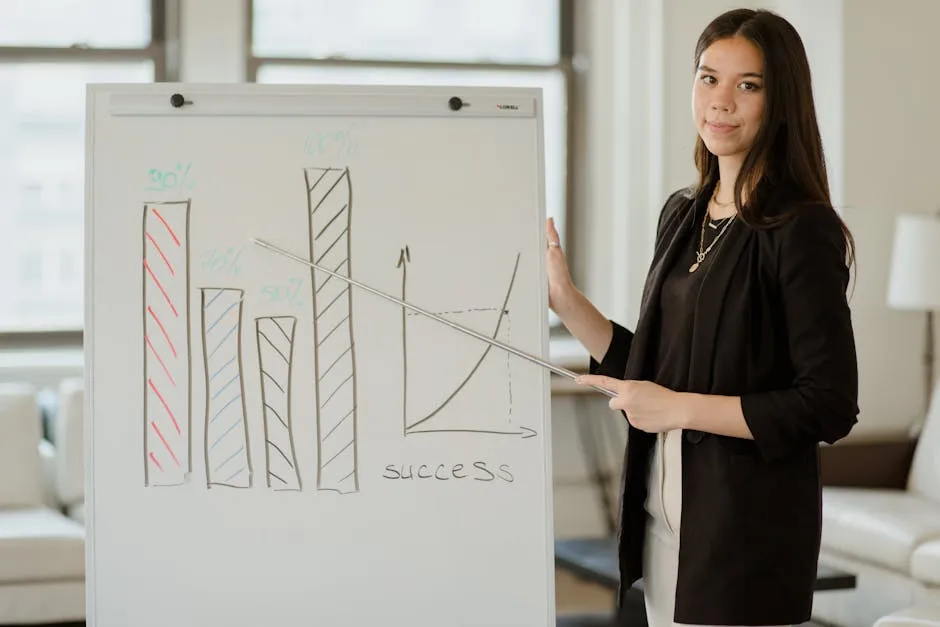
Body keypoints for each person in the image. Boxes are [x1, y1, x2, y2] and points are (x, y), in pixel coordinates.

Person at [546, 8, 859, 627]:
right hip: (666, 527)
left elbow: (827, 403)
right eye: (708, 77)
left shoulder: (801, 228)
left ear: (782, 100)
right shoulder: (683, 213)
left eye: (748, 85)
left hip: (746, 538)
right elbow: (655, 367)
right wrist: (564, 299)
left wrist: (681, 408)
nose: (721, 102)